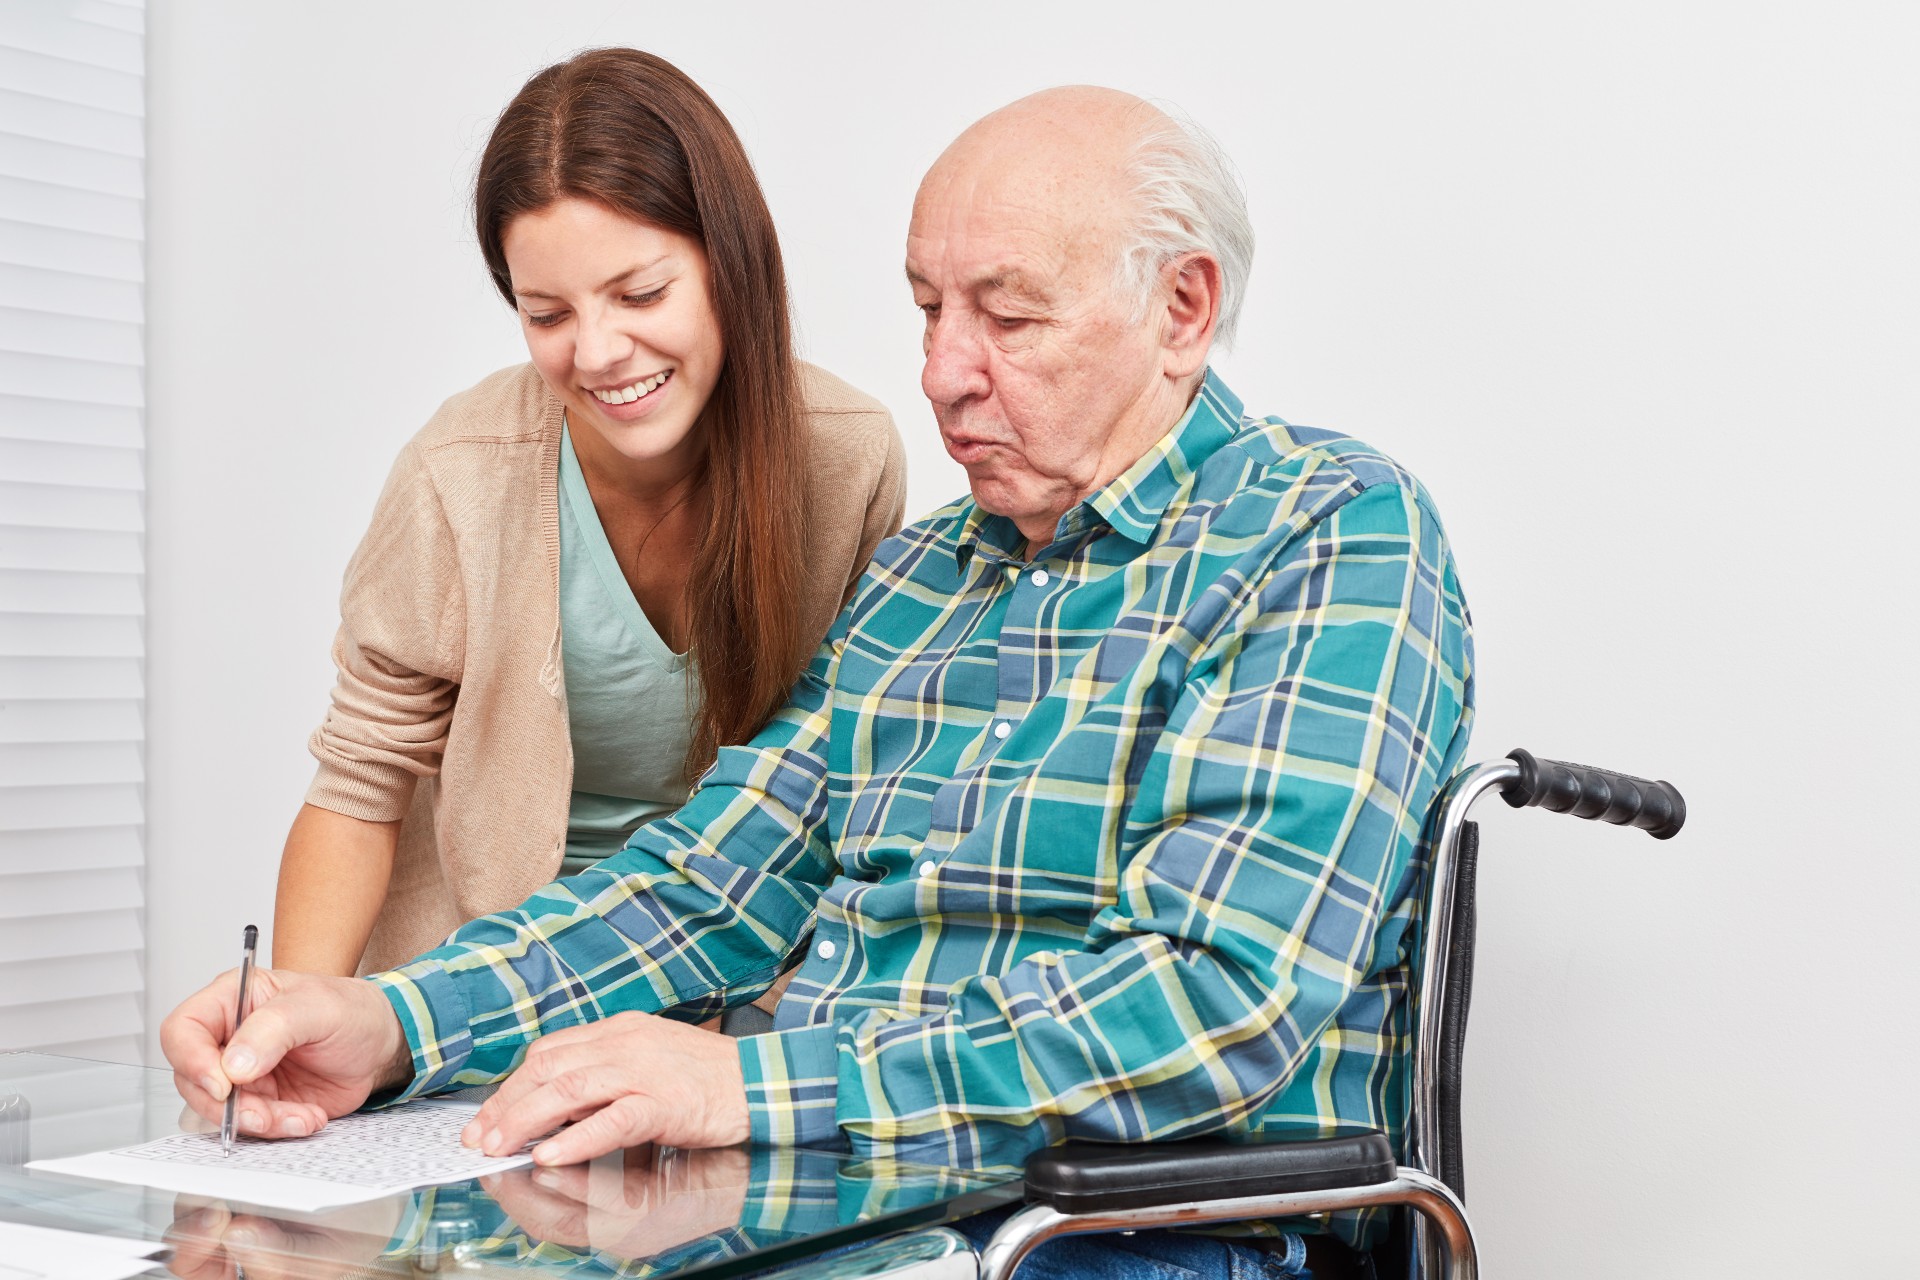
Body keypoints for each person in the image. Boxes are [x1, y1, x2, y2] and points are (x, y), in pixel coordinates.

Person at [164, 87, 1473, 1277]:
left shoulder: (1331, 536)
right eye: (928, 309)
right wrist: (386, 1020)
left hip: (1109, 1229)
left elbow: (1216, 999)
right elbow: (703, 888)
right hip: (826, 1205)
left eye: (1007, 316)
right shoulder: (918, 581)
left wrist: (756, 1089)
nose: (942, 372)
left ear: (1181, 310)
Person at [268, 48, 907, 984]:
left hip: (738, 986)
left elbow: (857, 779)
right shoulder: (460, 473)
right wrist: (300, 1014)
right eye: (547, 313)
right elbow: (361, 779)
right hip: (478, 992)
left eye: (641, 294)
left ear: (731, 264)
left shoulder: (847, 460)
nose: (599, 351)